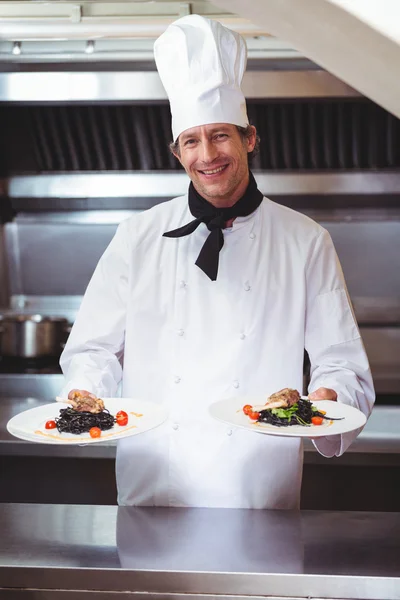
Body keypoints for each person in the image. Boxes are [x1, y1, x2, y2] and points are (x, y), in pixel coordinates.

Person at [60, 14, 375, 509]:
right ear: (177, 152)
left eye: (221, 135)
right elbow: (92, 352)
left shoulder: (305, 240)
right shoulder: (136, 238)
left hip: (257, 489)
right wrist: (84, 395)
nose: (207, 154)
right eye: (192, 140)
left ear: (250, 137)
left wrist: (324, 402)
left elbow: (341, 365)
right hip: (153, 487)